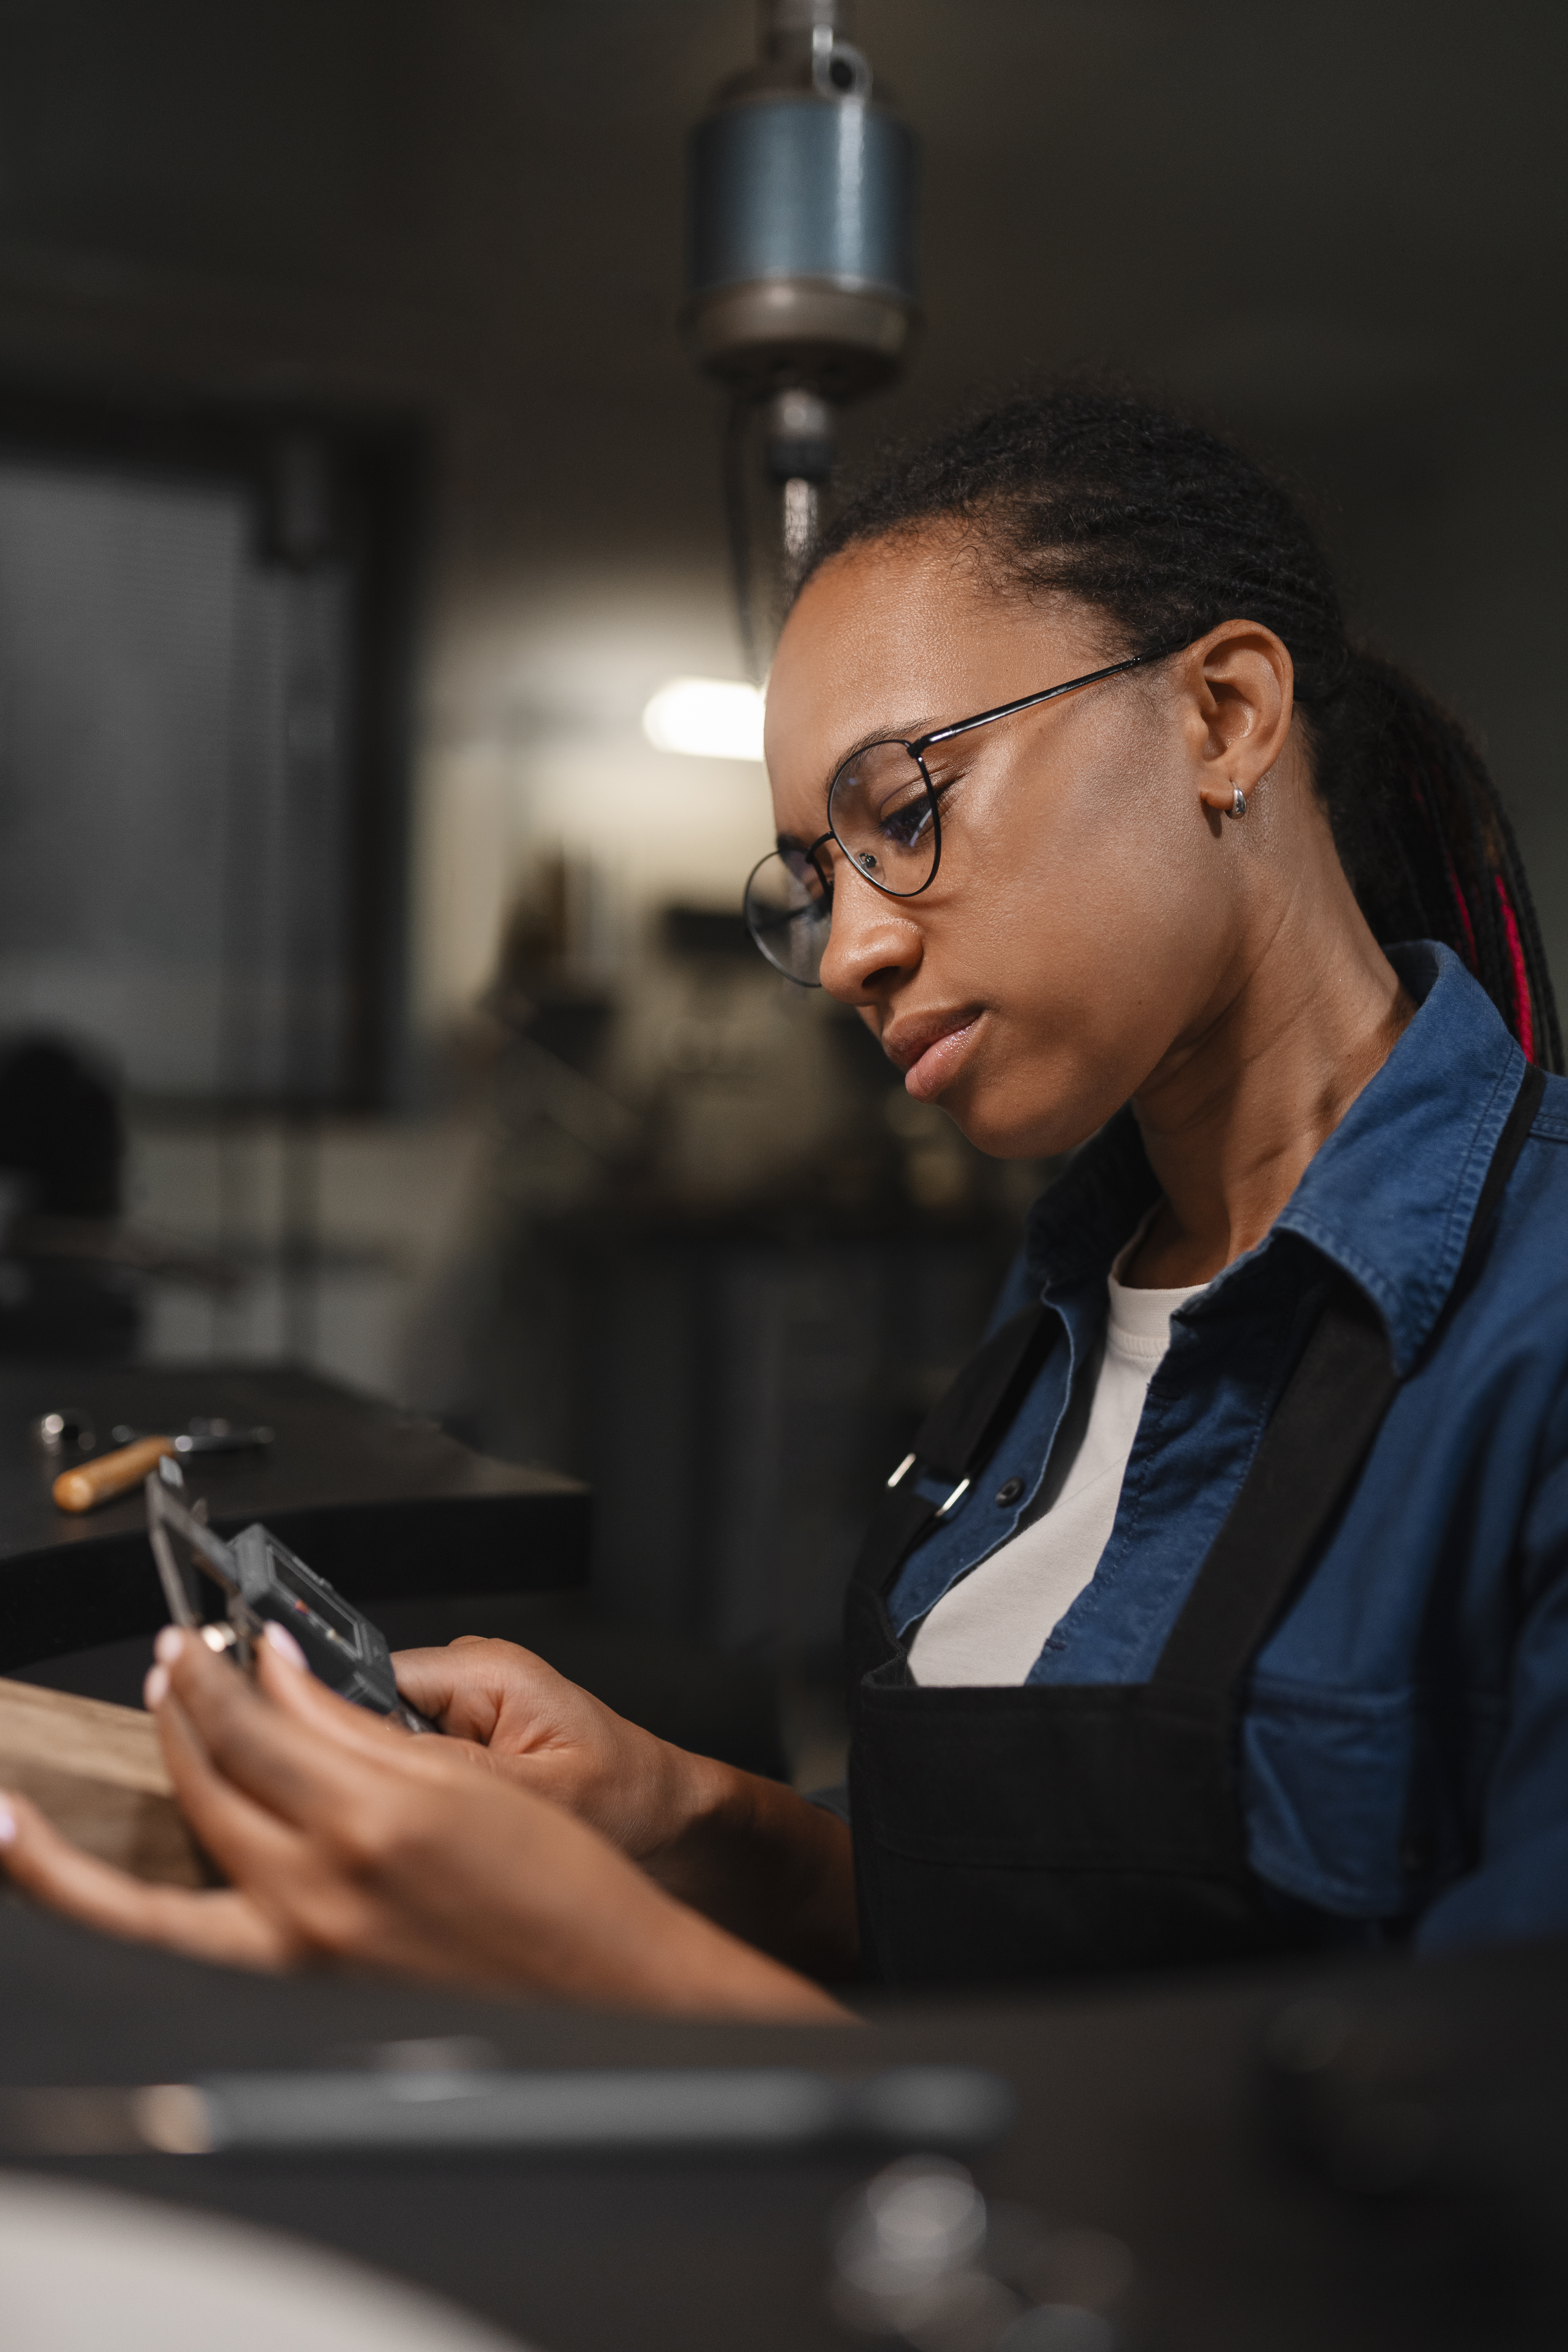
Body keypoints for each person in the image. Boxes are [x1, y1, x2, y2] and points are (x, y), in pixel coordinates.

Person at [3, 387, 1566, 2012]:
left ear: (1224, 717)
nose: (846, 954)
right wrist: (701, 1829)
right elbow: (1033, 1943)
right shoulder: (1073, 1301)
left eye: (904, 815)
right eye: (814, 879)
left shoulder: (1530, 1335)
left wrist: (602, 1962)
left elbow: (1484, 2198)